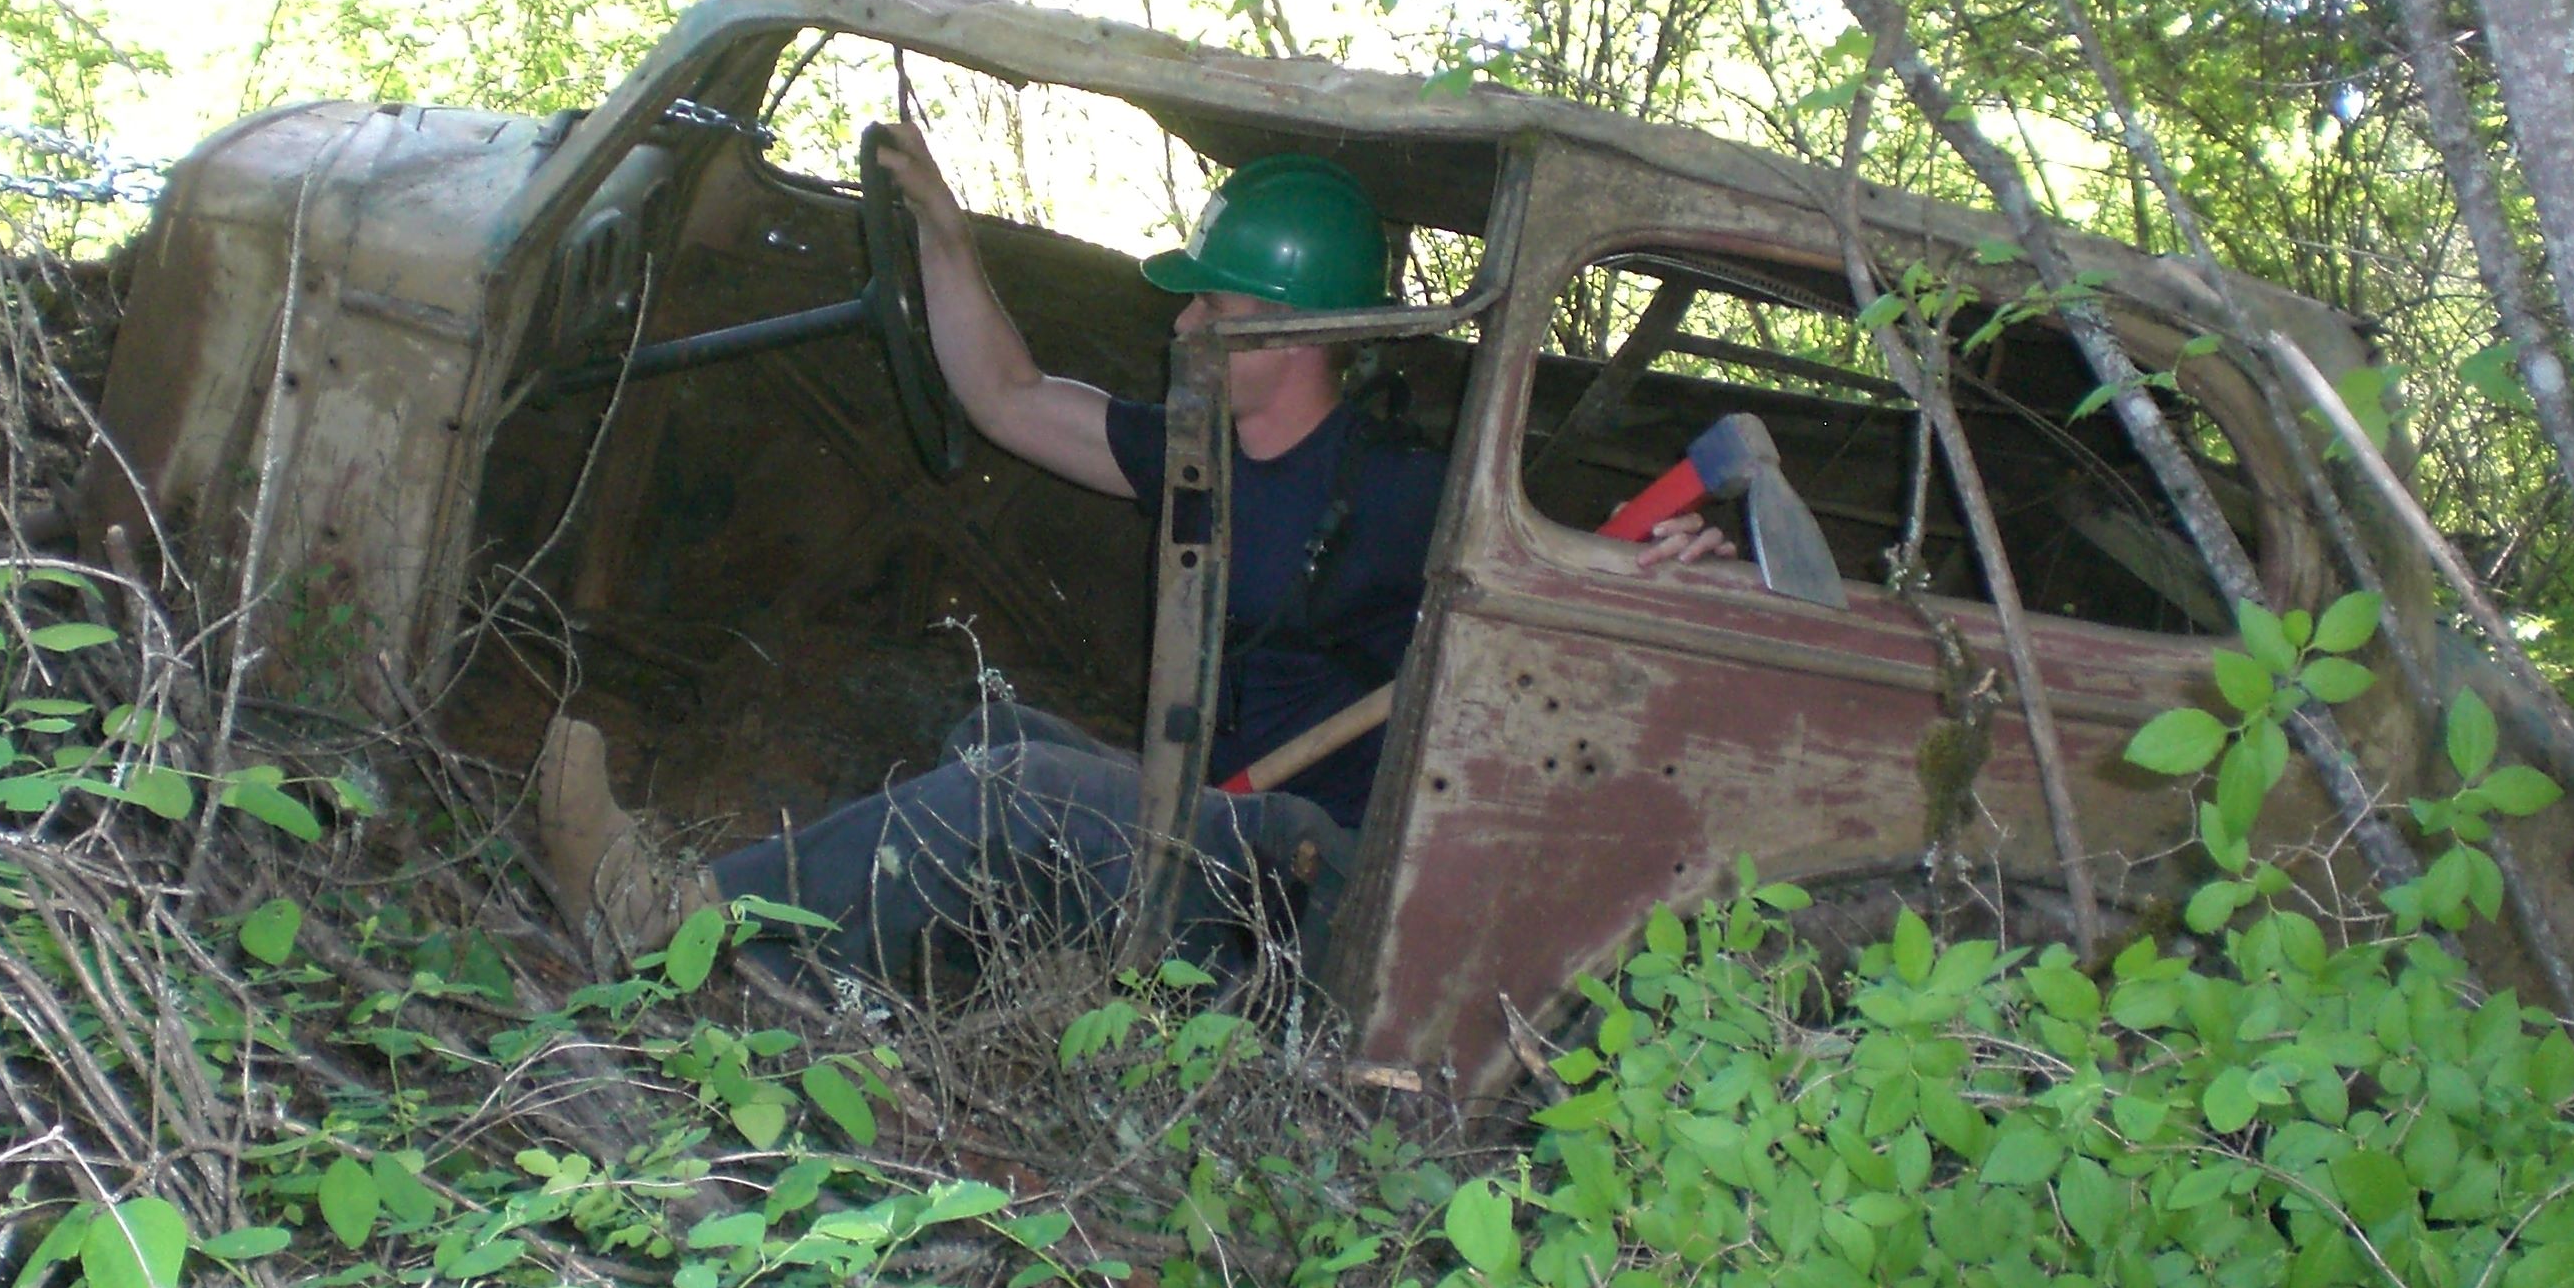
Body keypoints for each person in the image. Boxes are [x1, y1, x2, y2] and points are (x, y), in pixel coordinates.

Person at [536, 129, 1731, 982]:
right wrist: (946, 240)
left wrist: (1651, 563)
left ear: (1291, 332)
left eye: (1208, 309)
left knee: (1023, 792)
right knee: (996, 744)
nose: (1178, 326)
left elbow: (1562, 587)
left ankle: (672, 920)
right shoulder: (1197, 453)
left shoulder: (1411, 497)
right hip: (1219, 823)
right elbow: (1007, 397)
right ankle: (812, 976)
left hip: (1314, 881)